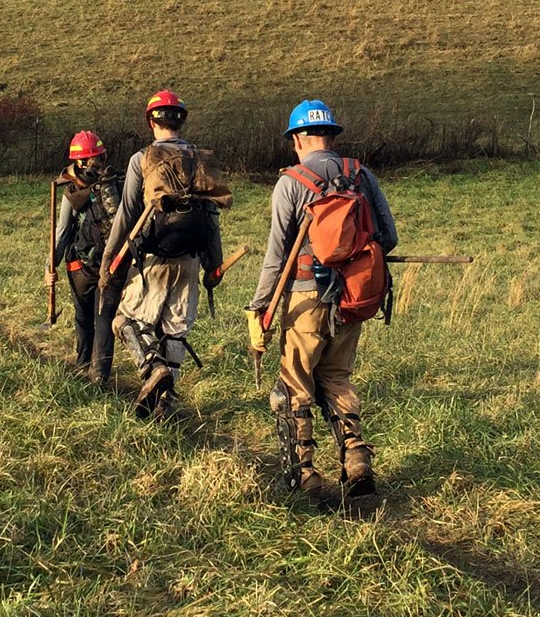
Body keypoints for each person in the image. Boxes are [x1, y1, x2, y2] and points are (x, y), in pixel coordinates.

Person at [244, 100, 398, 499]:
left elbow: (277, 255)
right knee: (336, 376)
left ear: (298, 138)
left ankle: (305, 474)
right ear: (331, 135)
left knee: (296, 382)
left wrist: (260, 306)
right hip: (354, 295)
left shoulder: (290, 182)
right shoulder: (360, 174)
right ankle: (356, 457)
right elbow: (389, 237)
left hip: (304, 297)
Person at [99, 90, 227, 417]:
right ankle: (163, 406)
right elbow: (212, 218)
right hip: (192, 258)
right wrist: (214, 263)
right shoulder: (199, 159)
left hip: (154, 258)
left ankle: (151, 367)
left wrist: (108, 260)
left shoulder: (142, 158)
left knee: (126, 320)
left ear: (150, 121)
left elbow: (127, 214)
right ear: (181, 121)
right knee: (175, 331)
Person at [49, 131, 119, 377]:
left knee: (82, 317)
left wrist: (51, 265)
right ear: (102, 155)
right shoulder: (114, 185)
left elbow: (63, 232)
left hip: (79, 267)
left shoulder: (72, 191)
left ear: (77, 161)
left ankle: (82, 366)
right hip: (111, 266)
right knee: (105, 319)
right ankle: (100, 375)